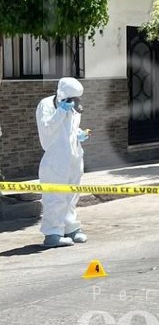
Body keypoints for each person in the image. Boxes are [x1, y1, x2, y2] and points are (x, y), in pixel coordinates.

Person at [37, 77, 90, 248]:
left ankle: (70, 228)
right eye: (72, 97)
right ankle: (52, 233)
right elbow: (47, 129)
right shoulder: (47, 105)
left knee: (71, 196)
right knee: (55, 197)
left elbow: (69, 131)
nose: (74, 101)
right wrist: (60, 111)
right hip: (55, 161)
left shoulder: (73, 106)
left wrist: (80, 134)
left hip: (74, 158)